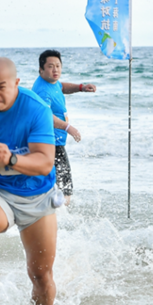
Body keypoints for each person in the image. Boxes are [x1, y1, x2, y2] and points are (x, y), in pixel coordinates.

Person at [0, 56, 61, 305]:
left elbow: (45, 162)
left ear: (16, 83)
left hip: (37, 196)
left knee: (41, 275)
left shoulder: (36, 109)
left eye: (1, 86)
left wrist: (11, 159)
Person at [30, 49, 97, 205]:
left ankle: (53, 213)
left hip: (54, 141)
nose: (55, 70)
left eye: (58, 66)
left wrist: (81, 87)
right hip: (49, 142)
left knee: (58, 182)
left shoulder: (51, 83)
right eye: (50, 66)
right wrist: (68, 128)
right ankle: (59, 217)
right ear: (41, 69)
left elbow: (61, 87)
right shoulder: (42, 90)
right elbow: (45, 116)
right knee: (65, 185)